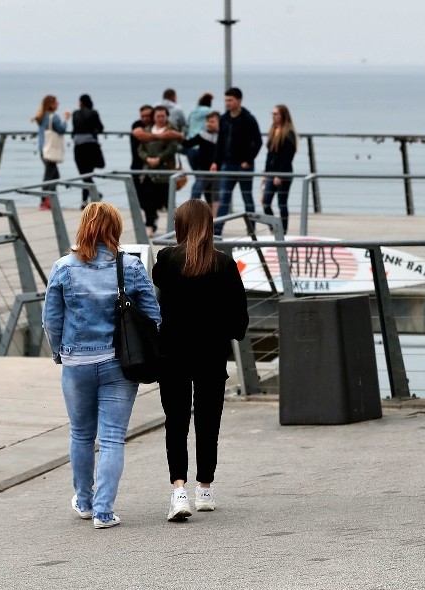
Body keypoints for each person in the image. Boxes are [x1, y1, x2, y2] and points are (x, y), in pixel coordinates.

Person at [42, 202, 161, 529]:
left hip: (76, 362)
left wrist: (59, 353)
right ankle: (104, 512)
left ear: (83, 227)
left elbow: (51, 321)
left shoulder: (63, 268)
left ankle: (84, 501)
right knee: (111, 439)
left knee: (81, 434)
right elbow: (153, 317)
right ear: (115, 229)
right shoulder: (131, 267)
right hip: (119, 364)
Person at [152, 199, 249, 521]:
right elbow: (239, 317)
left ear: (180, 225)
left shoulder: (166, 259)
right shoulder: (224, 263)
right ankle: (204, 488)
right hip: (211, 354)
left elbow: (159, 292)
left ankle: (178, 490)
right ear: (209, 225)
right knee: (209, 423)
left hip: (173, 353)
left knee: (176, 423)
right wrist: (227, 332)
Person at [210, 88, 263, 236]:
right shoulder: (224, 119)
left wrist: (248, 160)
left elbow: (258, 142)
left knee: (247, 198)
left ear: (239, 101)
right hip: (227, 164)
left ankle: (251, 230)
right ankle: (217, 231)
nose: (227, 103)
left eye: (230, 100)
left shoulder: (248, 119)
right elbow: (220, 143)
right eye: (226, 100)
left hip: (243, 166)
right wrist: (216, 162)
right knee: (224, 197)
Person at [137, 106, 180, 237]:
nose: (160, 119)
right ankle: (150, 225)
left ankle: (177, 227)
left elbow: (172, 148)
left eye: (163, 116)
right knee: (148, 201)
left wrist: (159, 159)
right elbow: (141, 148)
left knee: (169, 202)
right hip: (149, 173)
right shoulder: (147, 130)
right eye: (158, 116)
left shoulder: (171, 131)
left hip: (165, 173)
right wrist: (147, 158)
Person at [261, 104, 298, 233]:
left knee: (282, 203)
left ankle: (283, 231)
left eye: (276, 114)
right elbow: (269, 154)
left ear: (283, 116)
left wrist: (280, 175)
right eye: (273, 114)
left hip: (283, 173)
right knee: (266, 203)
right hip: (271, 172)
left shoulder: (288, 134)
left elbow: (288, 157)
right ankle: (274, 228)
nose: (274, 116)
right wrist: (265, 173)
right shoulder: (274, 131)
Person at [32, 95, 70, 211]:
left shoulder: (42, 116)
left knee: (53, 175)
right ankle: (45, 201)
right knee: (50, 176)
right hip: (50, 150)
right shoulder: (54, 117)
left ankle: (49, 200)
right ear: (51, 105)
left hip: (43, 148)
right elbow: (61, 129)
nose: (58, 104)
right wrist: (66, 119)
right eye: (56, 102)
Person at [182, 111, 220, 215]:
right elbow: (188, 144)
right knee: (197, 188)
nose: (209, 124)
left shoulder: (222, 136)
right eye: (207, 122)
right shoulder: (203, 134)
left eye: (212, 122)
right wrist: (180, 137)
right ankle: (192, 213)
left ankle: (214, 218)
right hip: (203, 168)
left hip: (218, 170)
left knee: (214, 193)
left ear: (218, 122)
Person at [72, 94, 105, 209]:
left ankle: (86, 199)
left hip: (78, 146)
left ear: (81, 102)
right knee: (88, 174)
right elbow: (101, 127)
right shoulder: (94, 113)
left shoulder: (75, 113)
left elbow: (74, 129)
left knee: (85, 175)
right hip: (91, 146)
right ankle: (92, 196)